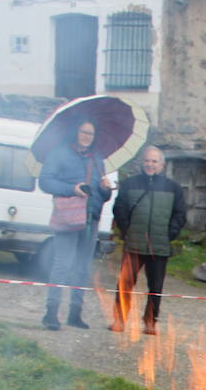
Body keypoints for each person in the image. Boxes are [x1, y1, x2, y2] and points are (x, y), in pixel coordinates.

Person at [38, 118, 114, 331]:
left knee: (83, 267)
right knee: (63, 264)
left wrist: (105, 189)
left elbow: (102, 195)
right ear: (75, 132)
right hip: (69, 218)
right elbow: (45, 181)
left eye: (90, 133)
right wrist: (73, 188)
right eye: (83, 132)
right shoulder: (59, 153)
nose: (87, 137)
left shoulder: (97, 158)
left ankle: (75, 314)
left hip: (91, 218)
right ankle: (51, 314)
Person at [111, 146, 186, 336]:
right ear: (141, 163)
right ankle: (120, 319)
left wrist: (169, 234)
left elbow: (180, 214)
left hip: (159, 246)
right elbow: (118, 209)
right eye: (147, 161)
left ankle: (150, 322)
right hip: (134, 243)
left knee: (156, 286)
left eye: (154, 161)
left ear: (162, 164)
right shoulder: (129, 184)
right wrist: (127, 230)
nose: (150, 165)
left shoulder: (173, 188)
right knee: (125, 283)